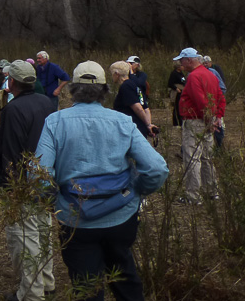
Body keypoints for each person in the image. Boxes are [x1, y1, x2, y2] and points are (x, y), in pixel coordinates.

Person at [35, 61, 168, 301]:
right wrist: (136, 192)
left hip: (75, 220)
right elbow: (157, 168)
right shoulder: (122, 121)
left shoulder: (55, 122)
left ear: (72, 89)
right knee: (125, 278)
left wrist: (55, 203)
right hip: (122, 217)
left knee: (86, 288)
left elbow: (38, 175)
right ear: (106, 90)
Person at [0, 60, 56, 301]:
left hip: (22, 183)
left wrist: (9, 187)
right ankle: (47, 282)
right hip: (44, 177)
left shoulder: (13, 109)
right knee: (43, 230)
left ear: (11, 82)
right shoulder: (47, 103)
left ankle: (31, 292)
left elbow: (9, 151)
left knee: (24, 236)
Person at [174, 48, 225, 204]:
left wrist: (210, 120)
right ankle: (212, 191)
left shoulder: (194, 76)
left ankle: (193, 195)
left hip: (196, 120)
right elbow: (220, 97)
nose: (180, 63)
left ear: (189, 60)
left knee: (192, 158)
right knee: (207, 157)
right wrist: (218, 118)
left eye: (182, 60)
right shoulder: (210, 74)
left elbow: (201, 100)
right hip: (207, 120)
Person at [110, 61, 156, 140]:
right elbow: (146, 108)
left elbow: (138, 108)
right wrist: (148, 125)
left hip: (132, 129)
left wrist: (148, 125)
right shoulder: (134, 85)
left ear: (117, 74)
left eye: (112, 73)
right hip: (139, 128)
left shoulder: (126, 86)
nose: (112, 76)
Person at [167, 60, 185, 127]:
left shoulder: (181, 73)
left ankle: (181, 121)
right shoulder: (174, 74)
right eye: (181, 65)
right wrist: (176, 88)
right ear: (178, 67)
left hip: (182, 91)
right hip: (176, 93)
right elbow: (170, 83)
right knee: (176, 107)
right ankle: (176, 122)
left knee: (181, 107)